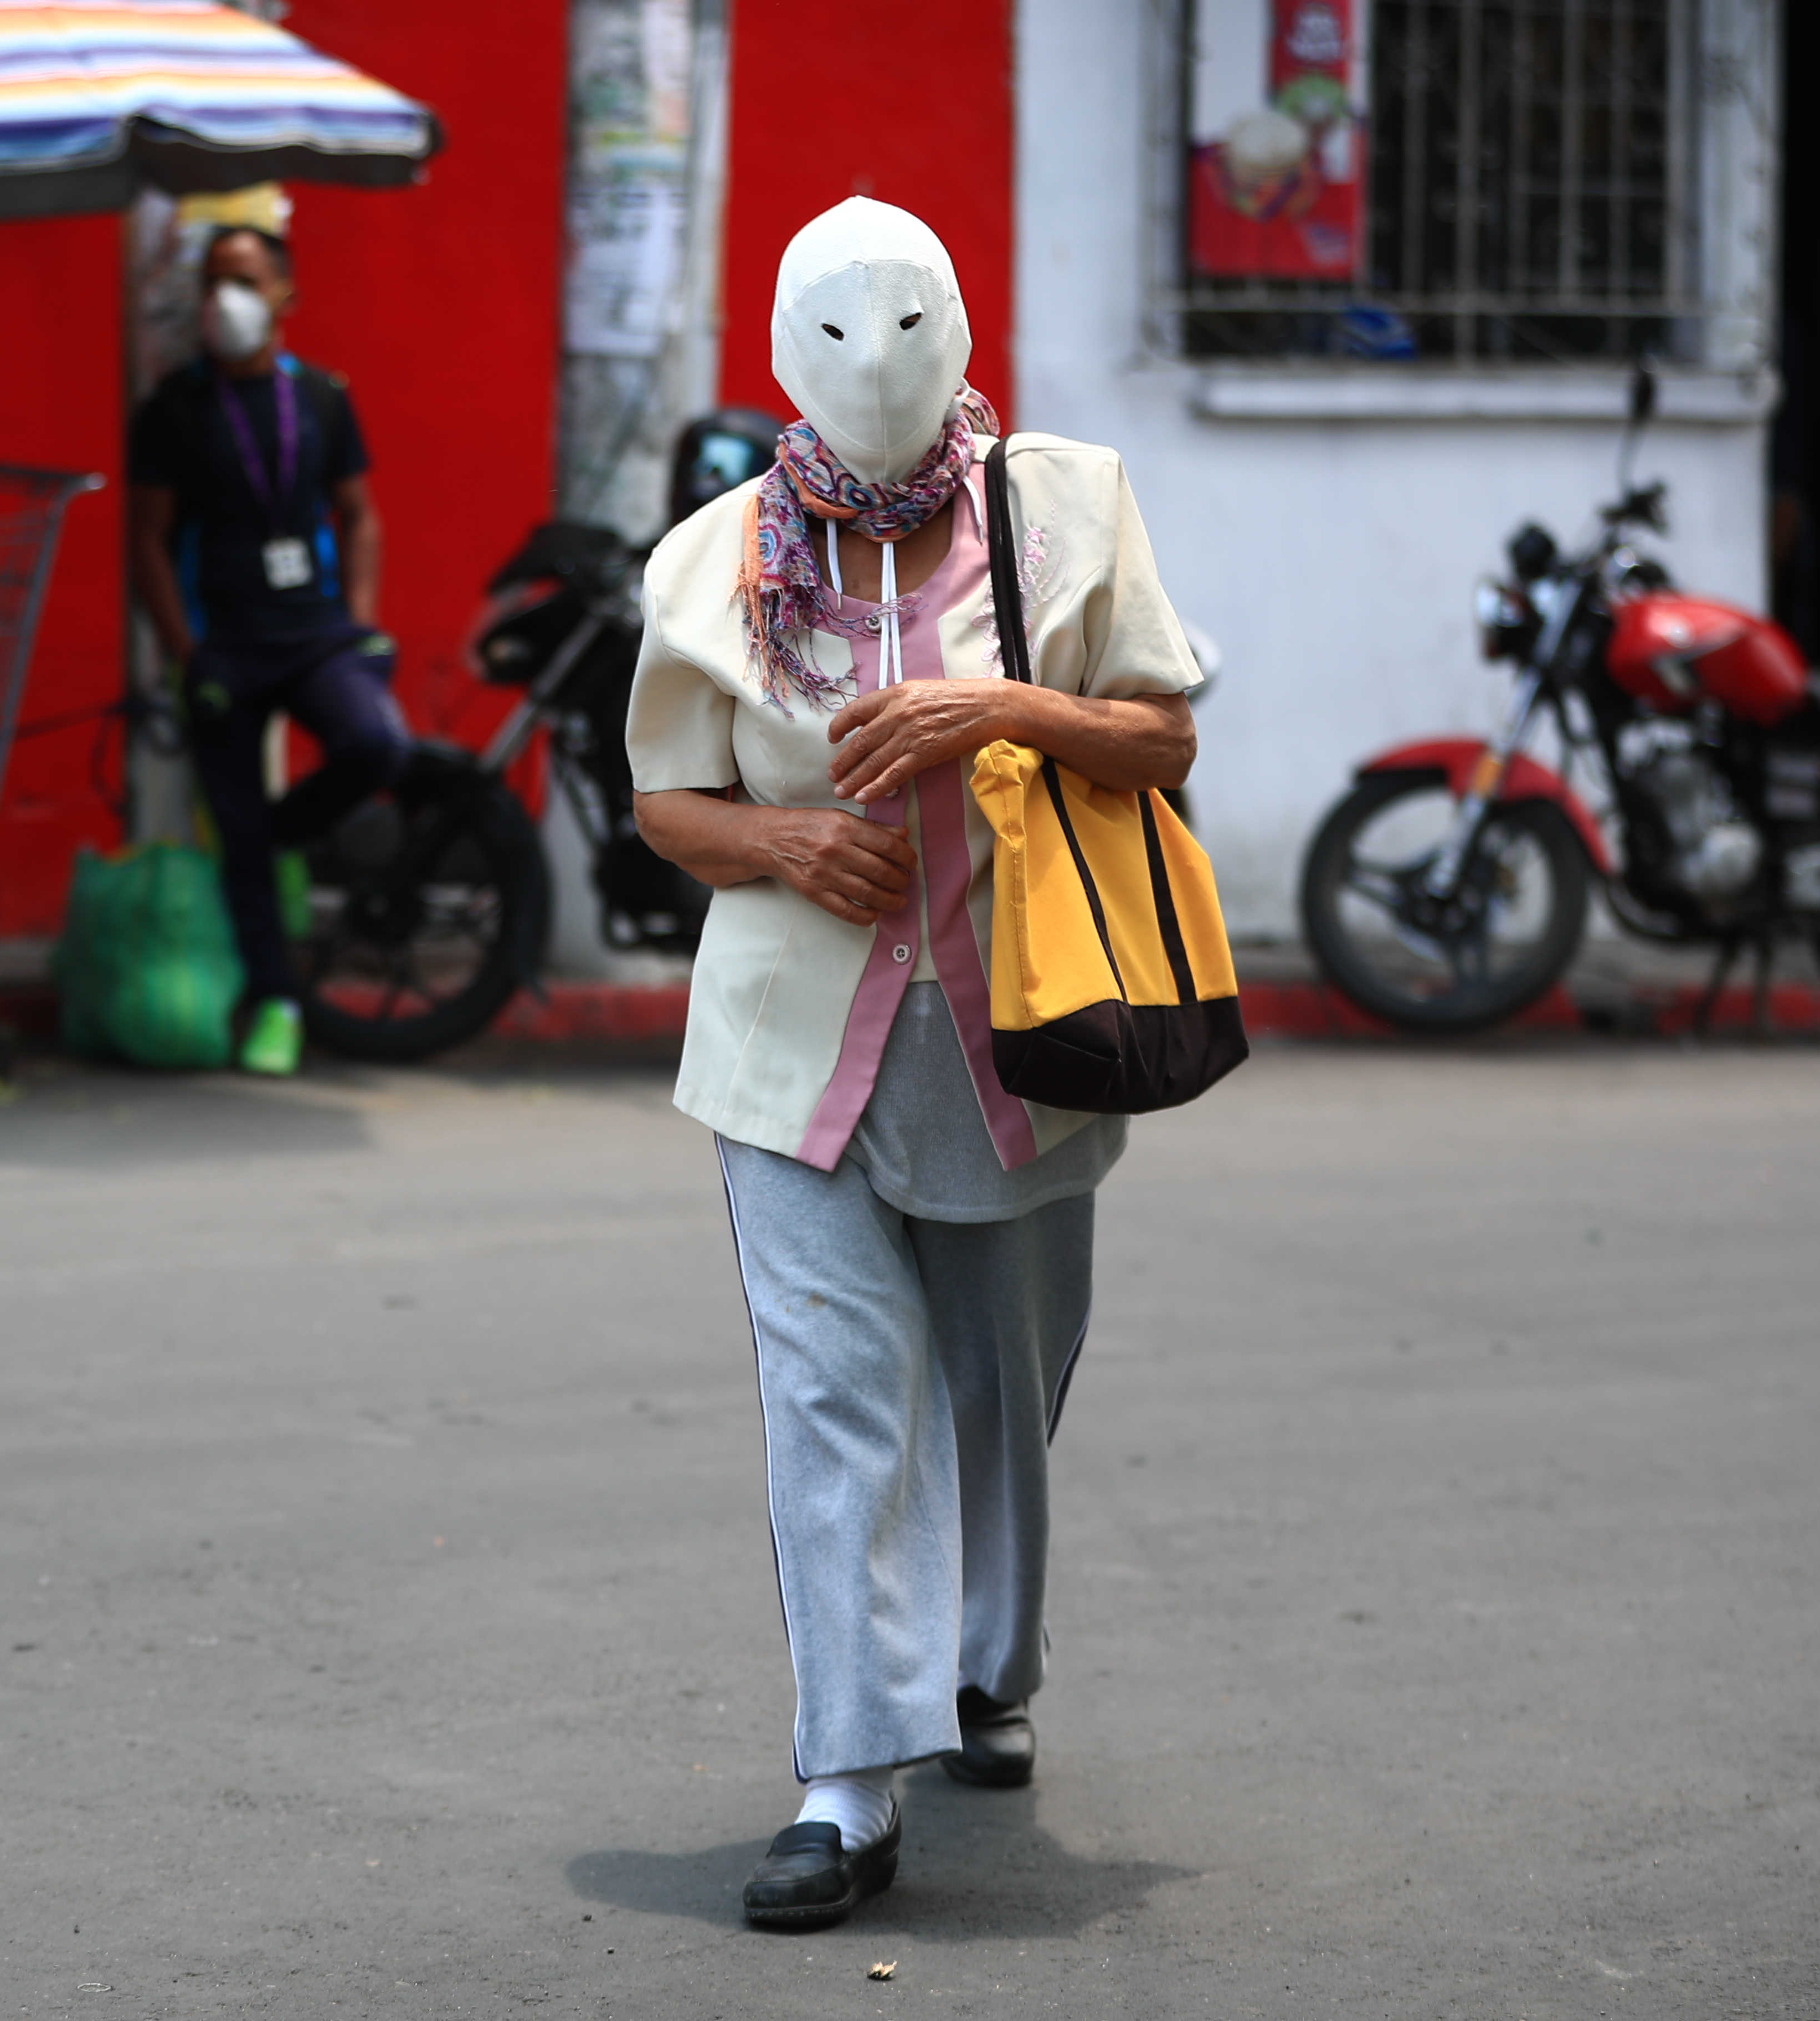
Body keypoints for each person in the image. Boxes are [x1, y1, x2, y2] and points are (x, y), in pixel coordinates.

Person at [626, 199, 1201, 1931]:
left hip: (1026, 1032)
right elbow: (665, 799)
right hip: (793, 1055)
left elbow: (1162, 735)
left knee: (1000, 1395)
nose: (873, 359)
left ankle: (987, 1668)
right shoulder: (714, 557)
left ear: (953, 325)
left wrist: (1002, 710)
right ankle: (844, 1783)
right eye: (834, 329)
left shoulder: (1065, 507)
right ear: (783, 352)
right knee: (834, 1400)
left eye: (904, 323)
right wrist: (786, 848)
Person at [127, 224, 407, 1076]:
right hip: (226, 649)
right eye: (213, 282)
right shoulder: (174, 406)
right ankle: (277, 1003)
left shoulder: (320, 397)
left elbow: (359, 513)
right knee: (236, 832)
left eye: (244, 280)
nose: (226, 301)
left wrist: (360, 623)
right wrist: (188, 654)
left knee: (376, 743)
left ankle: (274, 838)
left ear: (285, 294)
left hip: (318, 635)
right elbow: (146, 540)